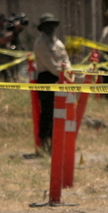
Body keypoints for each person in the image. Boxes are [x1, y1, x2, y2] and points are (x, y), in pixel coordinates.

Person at [33, 13, 70, 151]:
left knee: (60, 111)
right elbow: (50, 64)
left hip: (61, 79)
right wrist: (64, 75)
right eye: (48, 25)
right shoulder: (40, 43)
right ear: (43, 27)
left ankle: (57, 143)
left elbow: (66, 59)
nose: (51, 28)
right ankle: (44, 143)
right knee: (47, 111)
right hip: (47, 78)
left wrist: (69, 73)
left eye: (53, 25)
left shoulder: (58, 42)